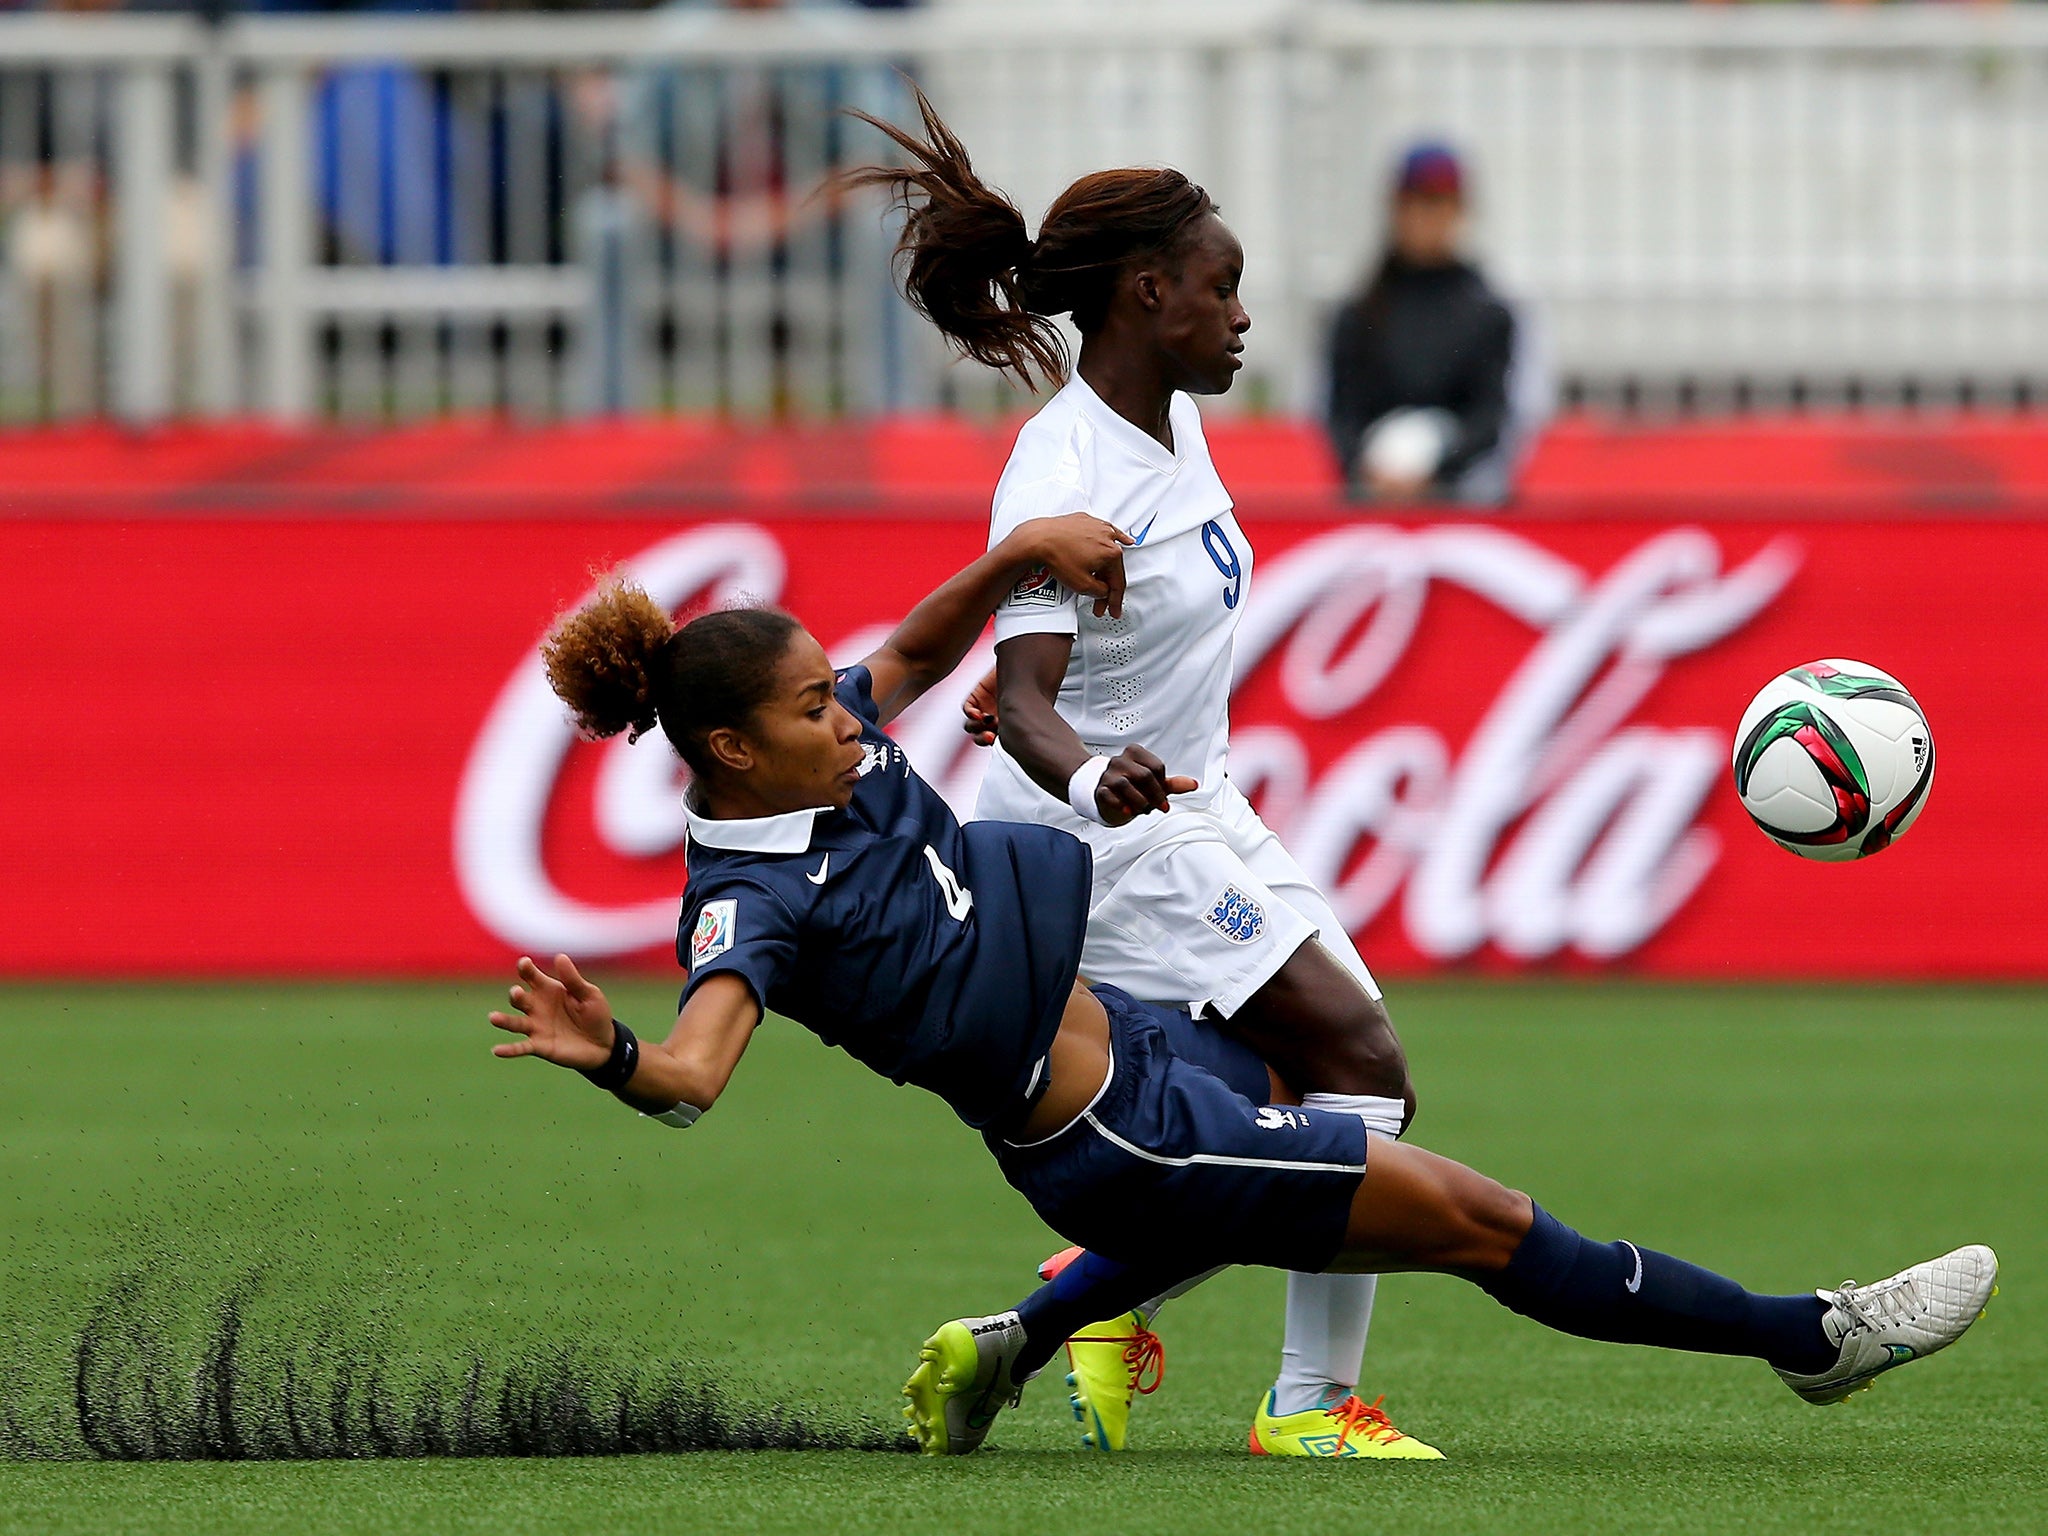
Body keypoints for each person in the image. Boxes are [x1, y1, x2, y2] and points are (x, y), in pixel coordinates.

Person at [487, 558, 1995, 1461]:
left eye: (832, 688)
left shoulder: (831, 753)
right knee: (1478, 1221)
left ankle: (1034, 1336)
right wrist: (606, 1050)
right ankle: (1814, 1338)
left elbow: (927, 652)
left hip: (1148, 1044)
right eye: (816, 706)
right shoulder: (745, 902)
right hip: (1114, 1137)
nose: (850, 712)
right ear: (730, 754)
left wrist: (1020, 553)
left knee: (1352, 1062)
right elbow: (692, 1071)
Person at [844, 90, 1431, 1455]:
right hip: (1106, 836)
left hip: (1197, 804)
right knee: (1354, 1058)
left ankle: (1087, 1303)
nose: (1242, 315)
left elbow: (1056, 665)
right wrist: (1089, 754)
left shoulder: (1171, 411)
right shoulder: (1067, 466)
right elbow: (1039, 711)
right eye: (1221, 288)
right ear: (1148, 291)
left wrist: (1078, 711)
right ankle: (1307, 1406)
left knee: (1321, 1096)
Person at [1325, 141, 1541, 506]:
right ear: (1395, 209)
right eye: (1414, 203)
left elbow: (1496, 416)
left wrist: (1437, 471)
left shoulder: (1489, 312)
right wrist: (1367, 467)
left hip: (1465, 504)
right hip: (1372, 500)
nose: (1425, 218)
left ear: (1460, 211)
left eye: (1438, 204)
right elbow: (1338, 410)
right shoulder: (1360, 311)